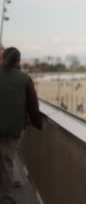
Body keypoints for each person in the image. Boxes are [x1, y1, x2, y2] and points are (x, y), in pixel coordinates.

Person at [0, 47, 43, 203]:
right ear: (18, 60)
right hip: (13, 128)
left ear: (3, 59)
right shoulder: (24, 79)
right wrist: (38, 123)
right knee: (6, 161)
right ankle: (5, 198)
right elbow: (33, 105)